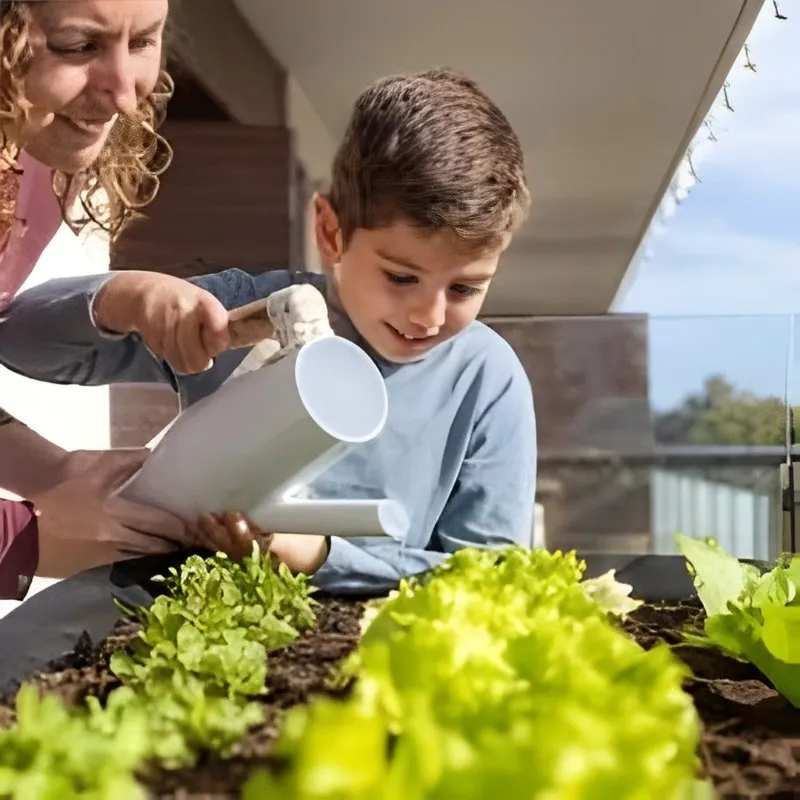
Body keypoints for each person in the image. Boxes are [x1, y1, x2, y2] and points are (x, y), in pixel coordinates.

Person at [0, 68, 538, 595]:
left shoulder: (487, 379)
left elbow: (494, 581)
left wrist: (321, 556)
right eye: (401, 277)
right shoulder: (244, 309)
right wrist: (126, 298)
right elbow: (18, 343)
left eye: (465, 289)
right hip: (195, 628)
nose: (429, 316)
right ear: (331, 232)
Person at [0, 0, 247, 598]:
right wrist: (27, 539)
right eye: (79, 46)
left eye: (143, 42)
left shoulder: (35, 165)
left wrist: (52, 470)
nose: (126, 97)